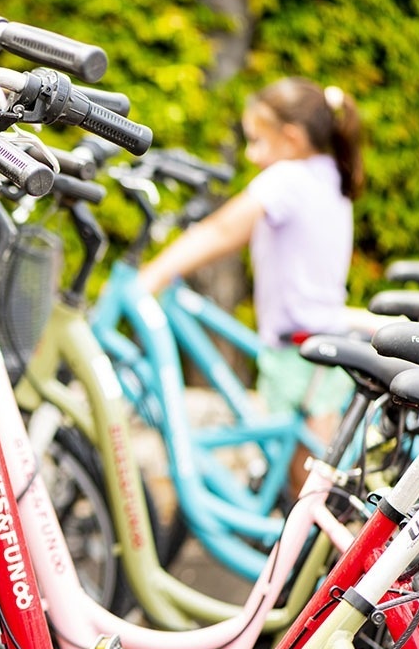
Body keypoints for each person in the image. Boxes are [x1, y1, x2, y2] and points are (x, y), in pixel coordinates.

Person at [137, 76, 364, 491]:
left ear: (292, 138)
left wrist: (153, 274)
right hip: (322, 337)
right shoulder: (331, 172)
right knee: (311, 473)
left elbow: (223, 230)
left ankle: (336, 551)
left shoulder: (287, 180)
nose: (251, 153)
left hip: (301, 352)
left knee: (308, 483)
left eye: (257, 140)